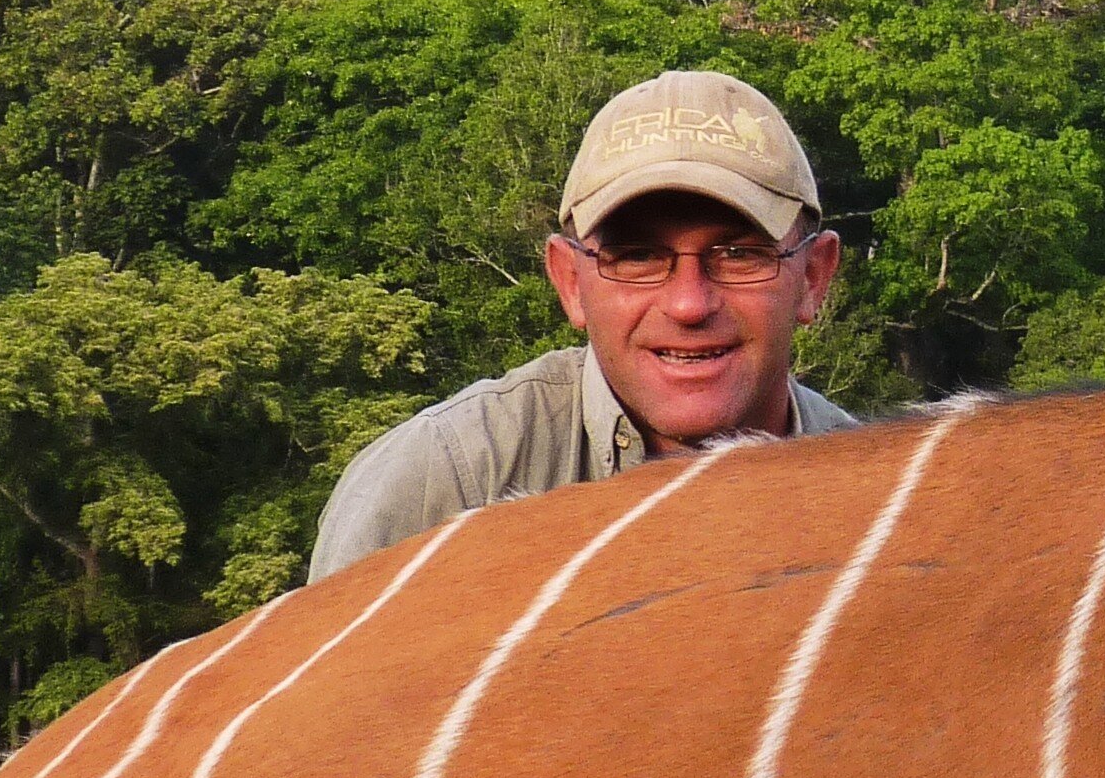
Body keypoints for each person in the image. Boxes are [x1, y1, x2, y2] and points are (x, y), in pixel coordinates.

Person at [308, 71, 855, 580]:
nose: (689, 304)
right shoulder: (446, 477)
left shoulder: (869, 489)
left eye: (739, 255)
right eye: (636, 257)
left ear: (813, 277)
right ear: (570, 280)